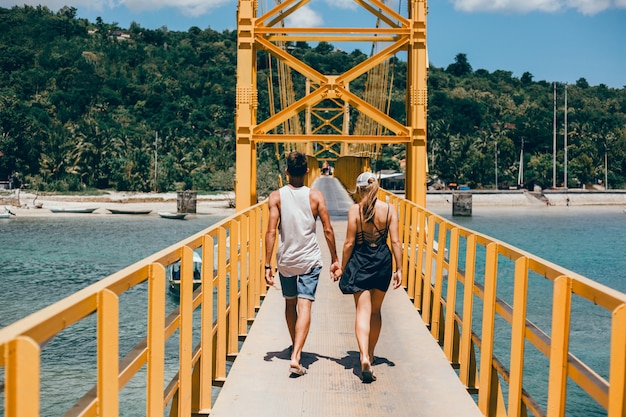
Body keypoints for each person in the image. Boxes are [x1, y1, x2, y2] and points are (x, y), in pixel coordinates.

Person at [264, 151, 341, 376]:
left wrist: (267, 265)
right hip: (309, 260)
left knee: (290, 304)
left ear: (286, 172)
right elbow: (327, 229)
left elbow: (270, 231)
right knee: (305, 305)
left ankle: (294, 346)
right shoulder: (316, 197)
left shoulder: (275, 197)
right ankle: (297, 354)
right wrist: (335, 259)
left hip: (286, 261)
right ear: (308, 171)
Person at [335, 171, 402, 383]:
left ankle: (363, 355)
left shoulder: (355, 210)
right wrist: (399, 269)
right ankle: (371, 354)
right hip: (382, 261)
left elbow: (348, 243)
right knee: (375, 311)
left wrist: (341, 267)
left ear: (359, 189)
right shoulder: (390, 209)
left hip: (360, 261)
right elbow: (396, 242)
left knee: (362, 311)